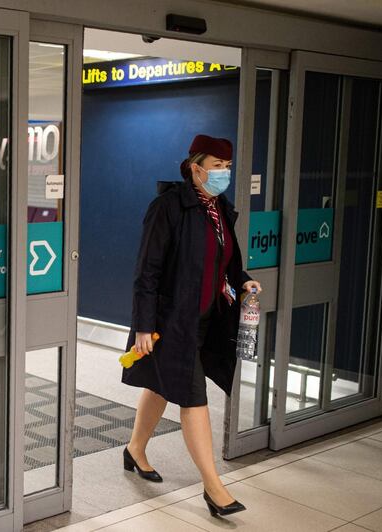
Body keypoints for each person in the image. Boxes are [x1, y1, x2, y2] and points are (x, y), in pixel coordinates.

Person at [121, 134, 262, 517]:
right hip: (171, 321)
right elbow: (146, 272)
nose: (224, 173)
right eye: (217, 167)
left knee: (160, 385)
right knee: (192, 395)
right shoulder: (168, 207)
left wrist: (243, 278)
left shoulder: (220, 209)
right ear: (195, 168)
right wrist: (143, 327)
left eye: (228, 167)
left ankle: (134, 449)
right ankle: (214, 488)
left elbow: (227, 260)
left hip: (205, 319)